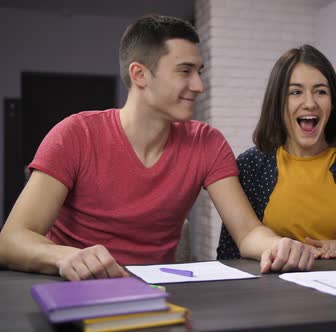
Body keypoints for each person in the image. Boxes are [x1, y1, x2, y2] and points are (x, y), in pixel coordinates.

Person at [0, 15, 316, 281]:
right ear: (140, 74)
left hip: (156, 293)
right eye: (185, 71)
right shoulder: (74, 134)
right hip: (71, 289)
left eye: (199, 72)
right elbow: (11, 239)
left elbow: (247, 233)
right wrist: (63, 257)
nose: (199, 86)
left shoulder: (207, 142)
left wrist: (276, 246)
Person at [217, 45, 336, 260]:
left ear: (333, 103)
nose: (310, 103)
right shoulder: (251, 164)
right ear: (278, 102)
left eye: (321, 91)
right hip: (272, 287)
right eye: (295, 92)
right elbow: (229, 251)